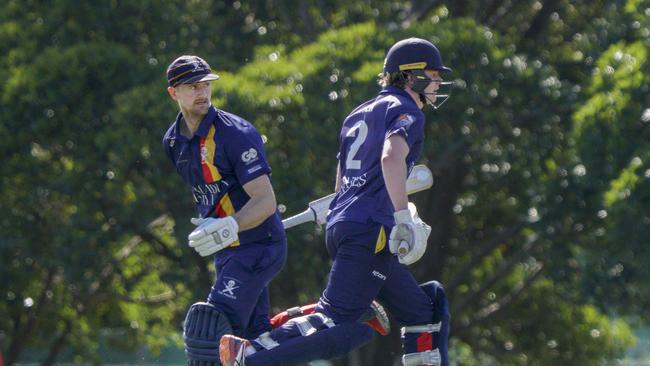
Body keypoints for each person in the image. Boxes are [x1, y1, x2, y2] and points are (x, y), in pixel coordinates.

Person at [219, 38, 453, 366]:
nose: (439, 82)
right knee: (335, 317)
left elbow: (342, 181)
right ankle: (255, 351)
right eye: (434, 74)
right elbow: (390, 158)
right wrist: (402, 216)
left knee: (425, 309)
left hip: (345, 221)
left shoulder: (357, 113)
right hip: (371, 229)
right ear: (412, 75)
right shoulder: (407, 110)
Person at [162, 55, 288, 365]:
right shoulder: (172, 142)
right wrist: (210, 223)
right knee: (255, 340)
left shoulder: (236, 133)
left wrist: (229, 224)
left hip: (259, 245)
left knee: (211, 331)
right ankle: (321, 325)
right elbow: (208, 194)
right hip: (227, 251)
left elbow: (265, 202)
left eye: (206, 84)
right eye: (193, 87)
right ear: (173, 93)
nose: (202, 92)